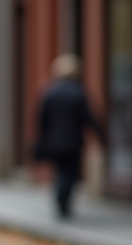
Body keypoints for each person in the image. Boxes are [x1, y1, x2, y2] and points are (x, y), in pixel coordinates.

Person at [34, 54, 104, 220]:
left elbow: (41, 119)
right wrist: (100, 136)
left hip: (53, 141)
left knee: (60, 171)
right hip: (73, 141)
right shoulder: (78, 93)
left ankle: (61, 200)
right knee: (69, 173)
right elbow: (89, 118)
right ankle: (63, 201)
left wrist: (43, 138)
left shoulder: (49, 92)